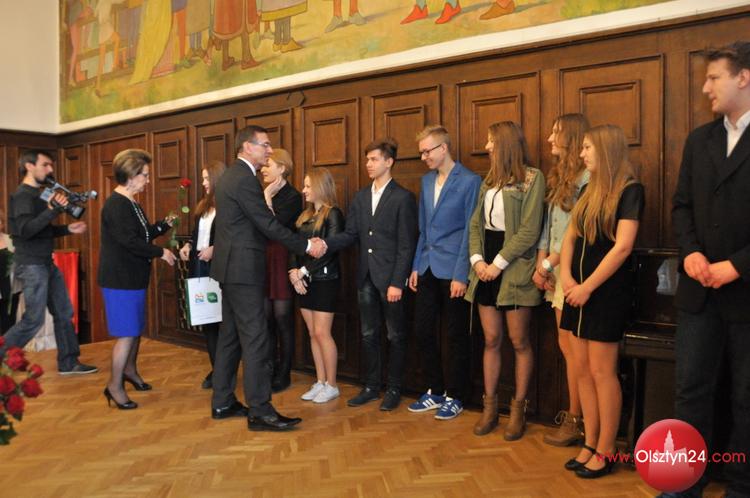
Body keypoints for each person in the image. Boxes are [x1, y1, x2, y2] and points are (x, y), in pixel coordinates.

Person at [671, 41, 750, 498]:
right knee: (690, 392)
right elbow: (682, 206)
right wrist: (691, 253)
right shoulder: (699, 140)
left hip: (746, 292)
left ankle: (741, 485)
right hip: (699, 291)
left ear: (743, 77)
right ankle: (685, 482)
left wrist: (736, 266)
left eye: (714, 77)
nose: (705, 88)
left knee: (746, 399)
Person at [209, 125, 325, 431]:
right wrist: (306, 245)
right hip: (243, 270)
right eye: (265, 145)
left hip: (230, 269)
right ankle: (260, 410)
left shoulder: (230, 176)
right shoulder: (244, 178)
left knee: (230, 337)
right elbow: (266, 224)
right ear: (247, 147)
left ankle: (222, 401)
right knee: (256, 338)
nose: (269, 150)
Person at [559, 124, 643, 479]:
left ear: (606, 149)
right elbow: (570, 237)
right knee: (581, 371)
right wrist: (566, 277)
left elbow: (622, 247)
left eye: (588, 147)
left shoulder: (630, 190)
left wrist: (587, 287)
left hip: (605, 294)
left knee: (601, 372)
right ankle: (590, 442)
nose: (582, 154)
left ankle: (607, 449)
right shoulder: (587, 189)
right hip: (576, 292)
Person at [464, 121, 545, 440]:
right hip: (484, 266)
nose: (487, 146)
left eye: (491, 141)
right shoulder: (489, 180)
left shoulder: (532, 178)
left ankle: (518, 410)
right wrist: (477, 261)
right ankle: (490, 408)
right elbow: (475, 225)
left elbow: (529, 230)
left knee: (519, 340)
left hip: (513, 268)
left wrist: (497, 264)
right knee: (491, 339)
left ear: (506, 144)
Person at [325, 139, 418, 411]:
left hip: (390, 280)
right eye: (367, 159)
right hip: (365, 276)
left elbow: (406, 244)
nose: (368, 164)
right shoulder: (361, 196)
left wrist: (397, 282)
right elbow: (351, 234)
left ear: (389, 162)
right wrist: (324, 244)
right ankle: (371, 386)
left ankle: (394, 388)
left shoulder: (403, 197)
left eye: (374, 159)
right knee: (368, 334)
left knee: (395, 335)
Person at [407, 125, 481, 420]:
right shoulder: (426, 181)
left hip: (454, 270)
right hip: (427, 266)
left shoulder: (470, 181)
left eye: (427, 151)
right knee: (423, 330)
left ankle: (456, 395)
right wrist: (415, 265)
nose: (423, 157)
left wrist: (462, 274)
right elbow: (423, 228)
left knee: (455, 335)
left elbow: (470, 231)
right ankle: (435, 390)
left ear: (444, 148)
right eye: (421, 152)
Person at [1, 150, 97, 375]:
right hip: (31, 265)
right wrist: (53, 211)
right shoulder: (23, 196)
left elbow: (41, 230)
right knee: (33, 320)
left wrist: (67, 229)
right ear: (29, 166)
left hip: (45, 262)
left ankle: (69, 363)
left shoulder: (38, 194)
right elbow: (25, 231)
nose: (50, 170)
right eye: (45, 165)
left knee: (64, 312)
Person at [98, 149, 177, 409]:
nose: (148, 180)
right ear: (131, 176)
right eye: (145, 175)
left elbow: (142, 235)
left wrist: (164, 225)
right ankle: (114, 386)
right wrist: (161, 252)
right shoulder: (116, 205)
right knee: (127, 333)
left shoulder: (132, 203)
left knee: (134, 330)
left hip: (133, 277)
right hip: (120, 280)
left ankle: (130, 372)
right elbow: (129, 242)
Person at [533, 114, 590, 446]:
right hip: (554, 270)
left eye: (556, 133)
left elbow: (574, 231)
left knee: (576, 351)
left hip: (571, 272)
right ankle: (576, 417)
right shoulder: (560, 177)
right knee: (566, 348)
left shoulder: (587, 180)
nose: (549, 138)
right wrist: (542, 263)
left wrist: (548, 265)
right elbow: (548, 227)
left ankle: (578, 420)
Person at [289, 168, 344, 404]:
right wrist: (294, 273)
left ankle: (332, 385)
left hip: (325, 281)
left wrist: (303, 271)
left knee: (322, 333)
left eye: (308, 186)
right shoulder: (305, 215)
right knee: (312, 333)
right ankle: (320, 381)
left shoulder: (333, 214)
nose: (304, 190)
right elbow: (295, 246)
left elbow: (329, 251)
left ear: (321, 186)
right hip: (304, 282)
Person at [179, 160, 226, 390]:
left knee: (223, 321)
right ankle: (217, 369)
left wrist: (215, 249)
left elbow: (232, 237)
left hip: (219, 269)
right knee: (208, 321)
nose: (204, 183)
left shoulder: (228, 206)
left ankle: (223, 370)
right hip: (199, 268)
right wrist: (188, 245)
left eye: (207, 178)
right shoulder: (203, 206)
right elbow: (196, 234)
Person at [259, 149, 302, 393]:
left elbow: (273, 227)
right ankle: (269, 368)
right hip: (263, 258)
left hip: (283, 259)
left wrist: (266, 196)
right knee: (266, 319)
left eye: (269, 164)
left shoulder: (292, 196)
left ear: (282, 168)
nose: (263, 168)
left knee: (282, 318)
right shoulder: (259, 192)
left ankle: (284, 372)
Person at [0, 210, 22, 334]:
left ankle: (7, 345)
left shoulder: (11, 240)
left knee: (9, 326)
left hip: (11, 290)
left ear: (2, 223)